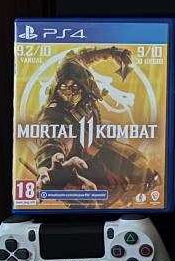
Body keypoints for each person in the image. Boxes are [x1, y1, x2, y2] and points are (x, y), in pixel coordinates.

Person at [33, 46, 159, 199]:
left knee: (146, 172)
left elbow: (83, 56)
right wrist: (49, 163)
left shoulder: (72, 65)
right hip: (80, 157)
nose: (69, 92)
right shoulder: (54, 112)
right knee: (105, 194)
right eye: (64, 86)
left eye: (74, 86)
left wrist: (110, 52)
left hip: (96, 140)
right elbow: (51, 137)